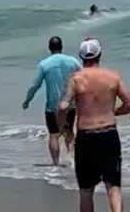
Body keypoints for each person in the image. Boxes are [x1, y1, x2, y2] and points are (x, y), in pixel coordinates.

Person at [57, 37, 130, 212]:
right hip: (108, 134)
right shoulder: (113, 77)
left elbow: (63, 106)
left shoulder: (75, 79)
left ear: (81, 57)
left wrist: (62, 126)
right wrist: (115, 112)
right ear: (99, 54)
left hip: (86, 137)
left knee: (86, 190)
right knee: (113, 187)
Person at [22, 36, 82, 166]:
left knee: (54, 135)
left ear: (49, 48)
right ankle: (73, 161)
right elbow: (84, 78)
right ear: (61, 47)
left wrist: (28, 99)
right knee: (69, 131)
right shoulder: (72, 61)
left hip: (53, 106)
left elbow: (35, 85)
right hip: (70, 104)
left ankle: (56, 164)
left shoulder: (44, 64)